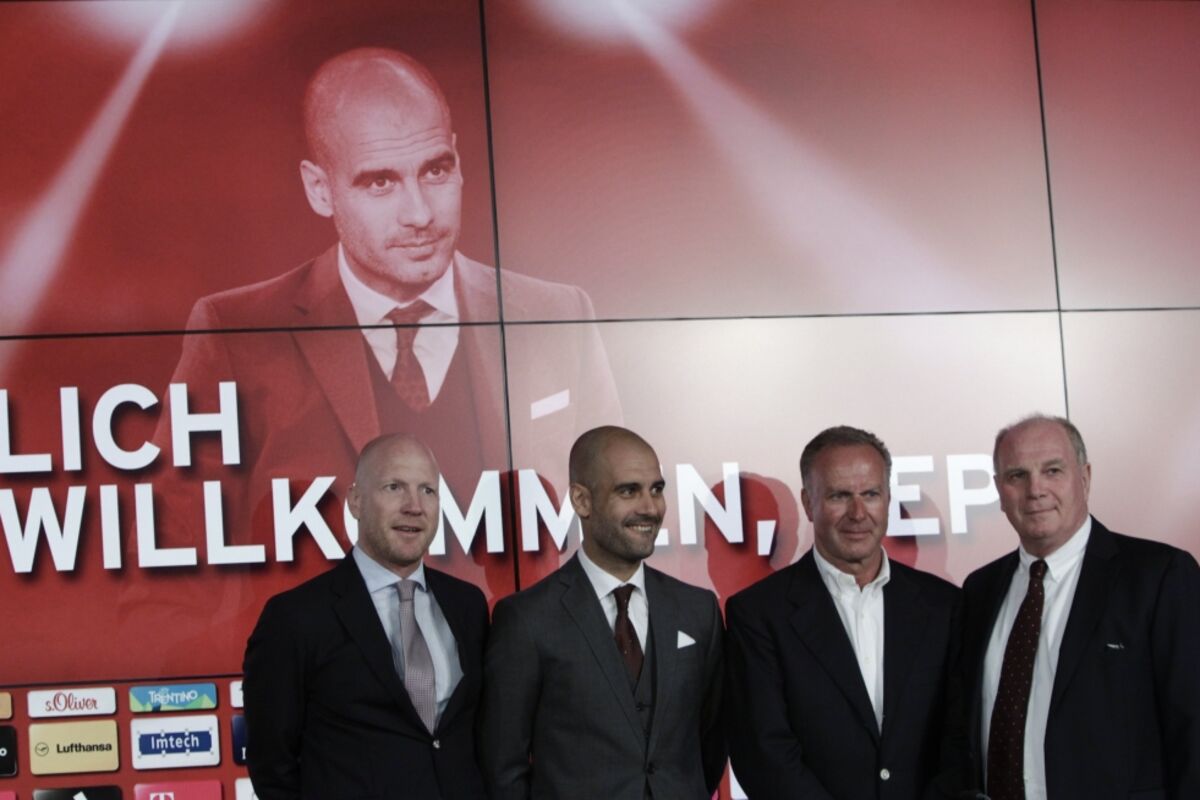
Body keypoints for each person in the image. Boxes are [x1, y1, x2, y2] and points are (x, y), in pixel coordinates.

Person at [156, 45, 619, 552]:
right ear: (319, 189)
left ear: (459, 161)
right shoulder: (235, 333)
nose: (420, 214)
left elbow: (615, 526)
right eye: (381, 182)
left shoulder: (559, 315)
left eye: (435, 171)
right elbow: (169, 550)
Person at [937, 414, 1200, 799]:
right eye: (1017, 475)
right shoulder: (980, 590)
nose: (1035, 490)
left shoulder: (1158, 576)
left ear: (1085, 477)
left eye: (1053, 470)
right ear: (999, 491)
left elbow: (1192, 727)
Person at [479, 426, 725, 799]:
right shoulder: (527, 619)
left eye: (656, 489)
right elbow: (504, 767)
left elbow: (711, 741)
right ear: (582, 500)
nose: (650, 508)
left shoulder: (698, 610)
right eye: (628, 491)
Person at [242, 434, 488, 799]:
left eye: (428, 491)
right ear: (356, 501)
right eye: (394, 487)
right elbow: (272, 765)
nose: (414, 506)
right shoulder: (295, 618)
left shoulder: (468, 605)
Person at [725, 425, 960, 799]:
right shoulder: (758, 614)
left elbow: (962, 741)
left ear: (888, 498)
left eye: (871, 494)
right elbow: (764, 755)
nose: (858, 513)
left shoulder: (944, 605)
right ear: (808, 503)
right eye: (839, 495)